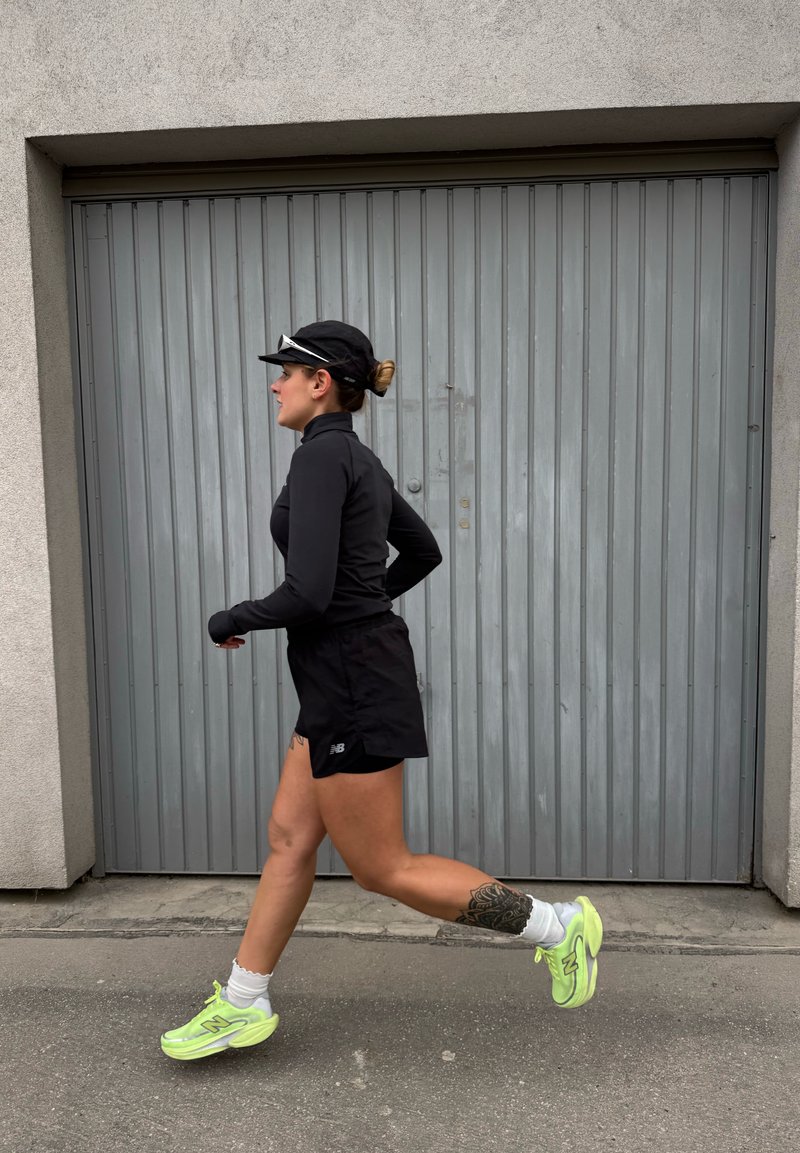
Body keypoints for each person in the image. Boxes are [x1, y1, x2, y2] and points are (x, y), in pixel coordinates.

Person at [160, 320, 603, 1061]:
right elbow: (421, 550)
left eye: (286, 373)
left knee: (382, 867)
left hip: (353, 680)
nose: (275, 383)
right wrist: (366, 605)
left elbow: (306, 593)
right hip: (346, 673)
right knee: (291, 838)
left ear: (321, 382)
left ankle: (561, 927)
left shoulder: (321, 460)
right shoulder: (354, 458)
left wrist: (228, 618)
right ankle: (242, 1000)